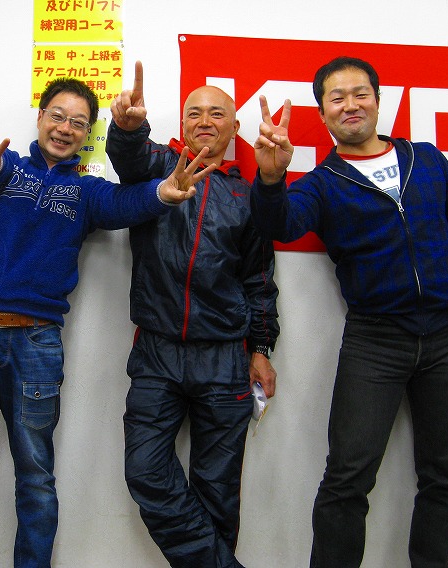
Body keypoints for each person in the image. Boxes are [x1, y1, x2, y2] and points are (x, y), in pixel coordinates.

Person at [251, 56, 448, 568]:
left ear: (378, 101)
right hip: (375, 341)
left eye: (360, 93)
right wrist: (271, 179)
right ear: (323, 113)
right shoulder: (322, 182)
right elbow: (280, 226)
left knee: (446, 477)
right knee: (347, 478)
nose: (350, 105)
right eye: (337, 98)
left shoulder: (427, 159)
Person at [0, 76, 216, 568]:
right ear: (40, 118)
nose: (65, 128)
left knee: (35, 476)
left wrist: (165, 191)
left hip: (36, 343)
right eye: (57, 116)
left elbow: (125, 202)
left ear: (87, 134)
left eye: (78, 123)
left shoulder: (86, 191)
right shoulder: (7, 168)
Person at [106, 61, 280, 568]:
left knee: (217, 490)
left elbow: (259, 282)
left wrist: (261, 348)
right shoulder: (159, 166)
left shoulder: (247, 196)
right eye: (194, 113)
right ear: (182, 123)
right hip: (156, 353)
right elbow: (129, 156)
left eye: (216, 113)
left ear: (235, 126)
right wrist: (128, 129)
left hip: (224, 357)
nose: (204, 121)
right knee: (145, 471)